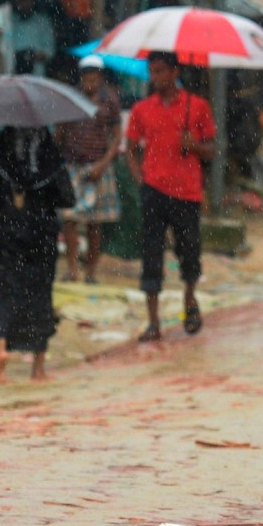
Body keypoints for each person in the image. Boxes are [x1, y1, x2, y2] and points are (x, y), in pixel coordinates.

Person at [125, 51, 216, 342]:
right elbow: (130, 147)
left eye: (162, 71)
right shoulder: (142, 109)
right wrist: (141, 179)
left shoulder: (197, 107)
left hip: (187, 192)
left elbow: (212, 149)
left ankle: (189, 299)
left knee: (189, 251)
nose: (157, 78)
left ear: (175, 72)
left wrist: (195, 145)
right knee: (151, 254)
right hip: (154, 191)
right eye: (153, 72)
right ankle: (153, 321)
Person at [0, 127, 75, 383]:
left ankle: (1, 352)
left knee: (3, 290)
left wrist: (13, 196)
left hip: (6, 230)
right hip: (41, 233)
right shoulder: (49, 154)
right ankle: (38, 367)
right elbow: (67, 197)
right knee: (40, 293)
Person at [55, 55, 122, 284]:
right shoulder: (71, 98)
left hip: (99, 165)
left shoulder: (110, 100)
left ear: (100, 78)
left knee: (95, 222)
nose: (90, 82)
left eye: (94, 78)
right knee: (70, 219)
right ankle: (72, 268)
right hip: (73, 165)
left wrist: (103, 164)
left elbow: (116, 137)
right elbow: (60, 134)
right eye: (86, 77)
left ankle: (91, 271)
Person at [0, 0, 56, 76]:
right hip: (6, 79)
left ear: (33, 0)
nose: (23, 3)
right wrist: (10, 57)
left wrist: (30, 57)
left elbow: (50, 52)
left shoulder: (43, 22)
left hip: (35, 78)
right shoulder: (3, 21)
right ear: (14, 0)